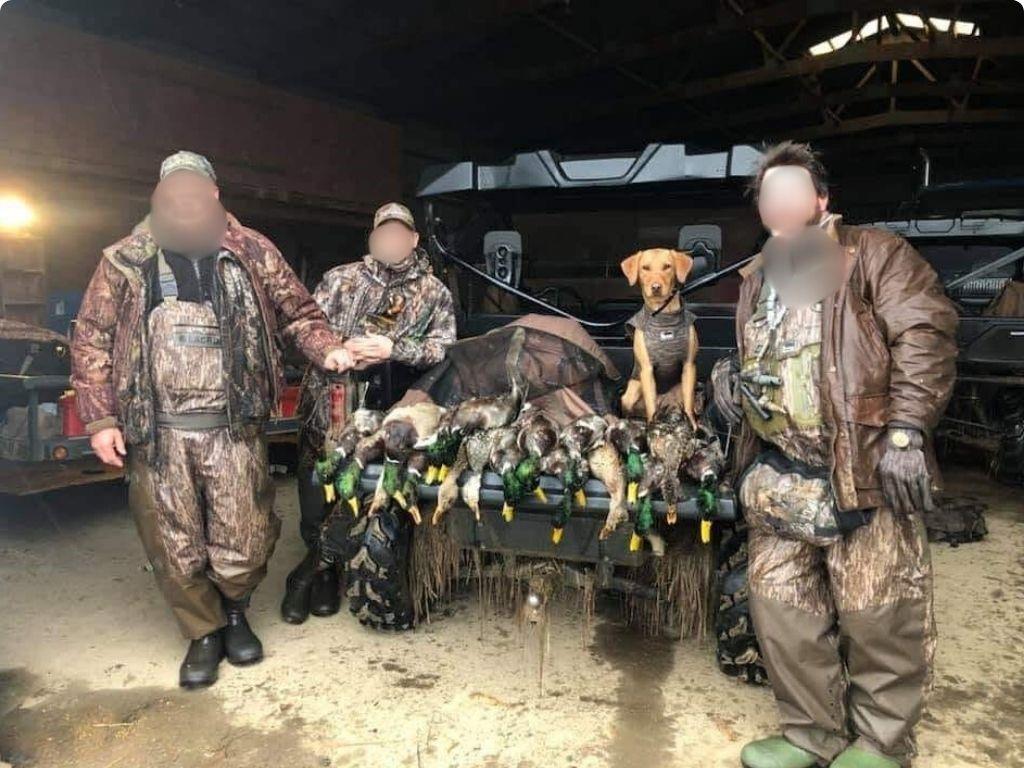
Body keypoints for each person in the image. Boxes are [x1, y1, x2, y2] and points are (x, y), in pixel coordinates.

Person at [712, 141, 958, 768]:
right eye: (769, 194)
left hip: (861, 468)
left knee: (878, 612)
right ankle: (810, 733)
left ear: (822, 199)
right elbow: (764, 359)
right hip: (781, 476)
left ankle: (880, 743)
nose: (780, 202)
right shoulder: (758, 275)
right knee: (783, 609)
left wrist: (907, 431)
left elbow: (924, 335)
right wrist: (728, 380)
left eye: (793, 189)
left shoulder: (875, 254)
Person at [71, 150, 353, 689]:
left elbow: (300, 314)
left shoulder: (253, 250)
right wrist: (101, 418)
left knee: (244, 533)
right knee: (173, 541)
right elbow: (91, 337)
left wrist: (328, 350)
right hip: (158, 431)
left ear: (215, 194)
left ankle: (234, 612)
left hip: (234, 425)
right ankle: (202, 632)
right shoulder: (125, 259)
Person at [280, 201, 456, 624]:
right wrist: (335, 349)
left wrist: (395, 349)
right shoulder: (340, 280)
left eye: (400, 233)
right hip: (329, 404)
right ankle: (321, 568)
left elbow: (447, 350)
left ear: (413, 240)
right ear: (373, 238)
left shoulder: (434, 292)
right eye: (383, 233)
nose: (390, 240)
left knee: (368, 489)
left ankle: (319, 570)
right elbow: (301, 329)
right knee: (315, 488)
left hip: (391, 410)